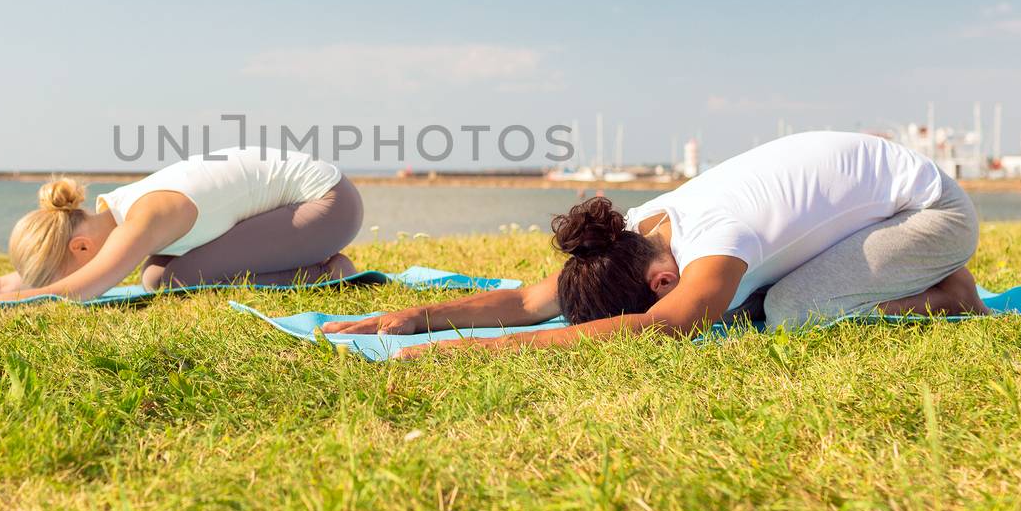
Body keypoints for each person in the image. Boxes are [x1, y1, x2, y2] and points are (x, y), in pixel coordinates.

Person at [321, 131, 985, 358]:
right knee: (746, 306)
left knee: (781, 312)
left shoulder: (719, 240)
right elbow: (532, 297)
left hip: (932, 213)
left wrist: (488, 354)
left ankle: (947, 292)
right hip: (878, 200)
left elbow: (656, 327)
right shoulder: (640, 230)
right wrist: (419, 319)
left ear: (661, 280)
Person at [0, 147, 362, 320]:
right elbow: (9, 284)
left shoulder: (144, 217)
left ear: (82, 247)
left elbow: (75, 291)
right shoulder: (114, 216)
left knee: (171, 280)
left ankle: (326, 269)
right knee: (161, 275)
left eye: (75, 264)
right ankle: (315, 263)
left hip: (326, 203)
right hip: (289, 204)